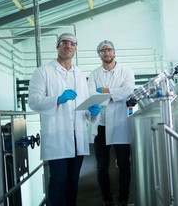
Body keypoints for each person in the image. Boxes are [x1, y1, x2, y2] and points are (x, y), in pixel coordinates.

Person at [28, 33, 101, 206]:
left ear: (75, 48)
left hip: (77, 136)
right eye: (65, 42)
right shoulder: (43, 71)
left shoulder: (79, 74)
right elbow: (33, 101)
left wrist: (93, 112)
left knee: (73, 180)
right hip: (57, 137)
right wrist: (57, 99)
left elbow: (82, 105)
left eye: (73, 43)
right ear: (57, 46)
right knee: (58, 180)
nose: (69, 46)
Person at [88, 40, 135, 206]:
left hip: (121, 123)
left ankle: (124, 197)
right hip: (101, 124)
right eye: (103, 50)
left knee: (123, 164)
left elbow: (128, 90)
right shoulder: (94, 74)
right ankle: (107, 199)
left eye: (109, 50)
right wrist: (114, 94)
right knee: (102, 165)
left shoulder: (126, 71)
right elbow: (91, 93)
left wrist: (106, 92)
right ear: (99, 54)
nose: (106, 53)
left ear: (114, 52)